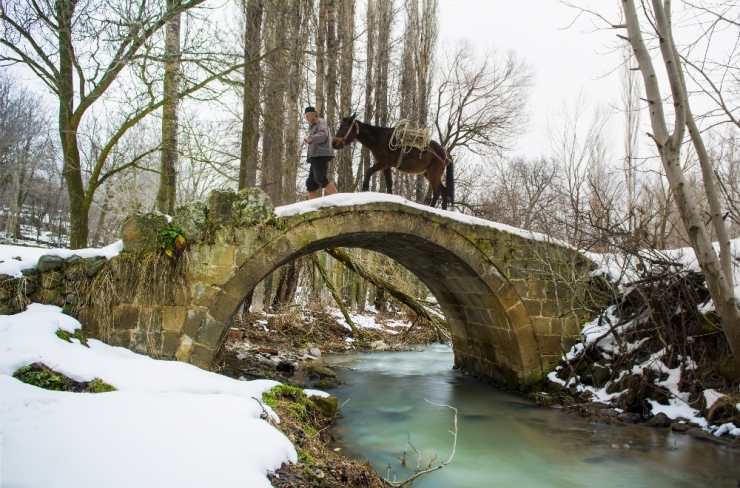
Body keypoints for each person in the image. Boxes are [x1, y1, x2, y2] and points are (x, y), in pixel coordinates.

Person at [303, 106, 338, 199]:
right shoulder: (313, 125)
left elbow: (323, 134)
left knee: (320, 178)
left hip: (321, 154)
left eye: (308, 116)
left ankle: (339, 199)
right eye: (306, 116)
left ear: (313, 114)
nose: (307, 118)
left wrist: (311, 138)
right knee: (310, 183)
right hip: (315, 156)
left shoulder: (320, 122)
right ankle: (311, 206)